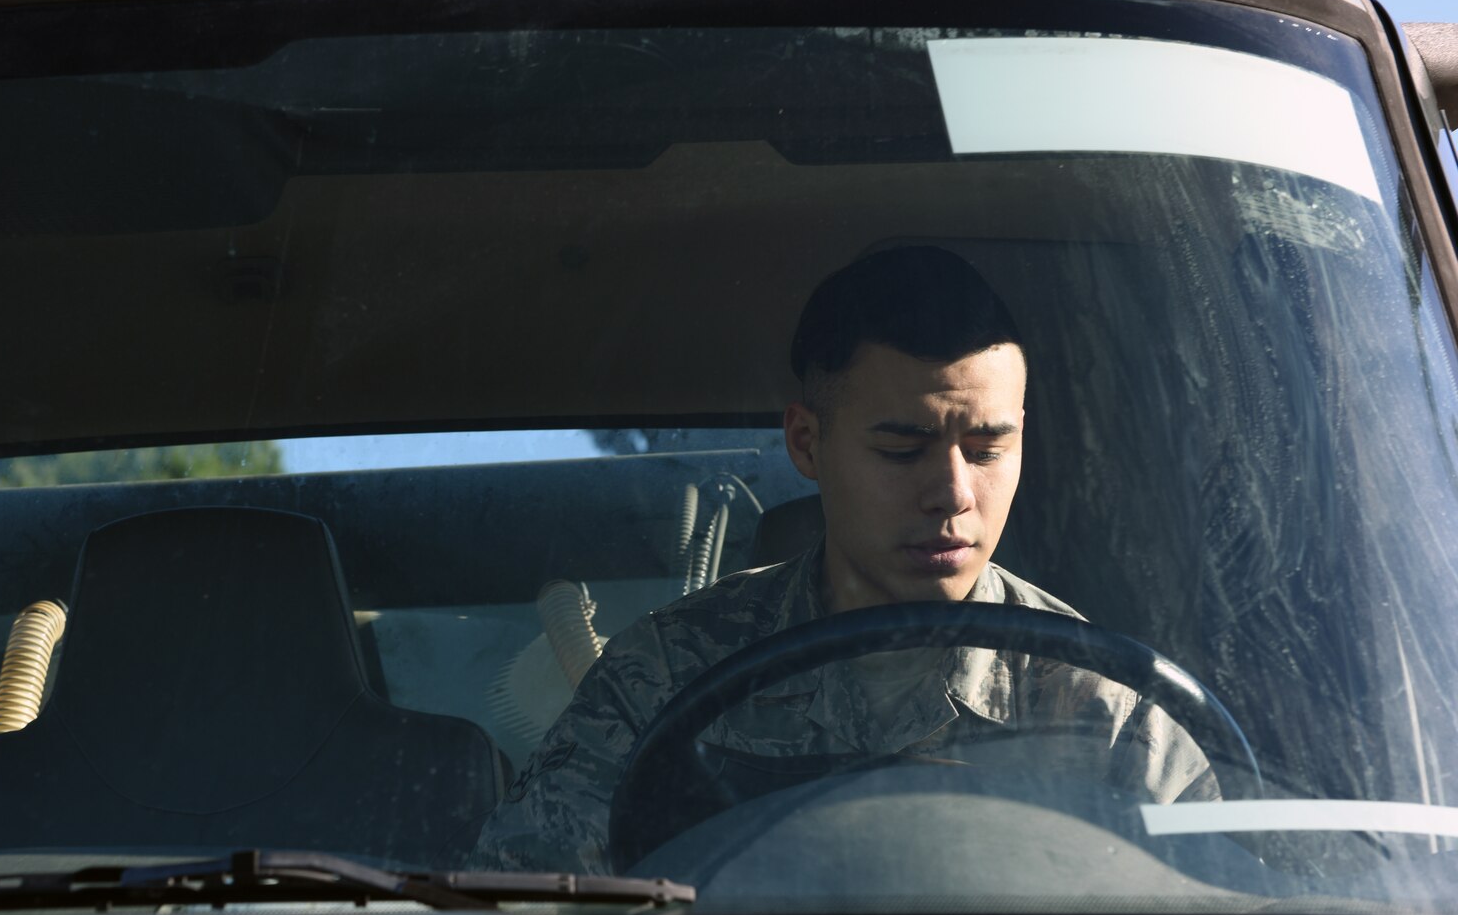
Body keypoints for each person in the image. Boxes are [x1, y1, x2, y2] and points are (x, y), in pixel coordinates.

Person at [472, 246, 1216, 874]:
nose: (954, 493)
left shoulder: (1108, 711)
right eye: (902, 449)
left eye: (988, 449)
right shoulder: (667, 679)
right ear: (806, 442)